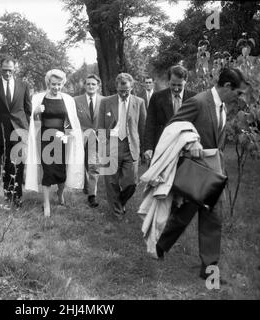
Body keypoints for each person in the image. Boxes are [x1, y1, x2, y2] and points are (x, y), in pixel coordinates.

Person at [155, 68, 248, 280]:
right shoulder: (198, 102)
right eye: (238, 92)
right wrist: (192, 139)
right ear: (227, 87)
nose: (239, 97)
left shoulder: (223, 105)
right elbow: (173, 125)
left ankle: (209, 269)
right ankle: (161, 245)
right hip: (195, 169)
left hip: (213, 169)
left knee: (213, 217)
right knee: (183, 215)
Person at [25, 69, 84, 217]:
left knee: (60, 169)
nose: (56, 87)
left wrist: (72, 136)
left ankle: (60, 192)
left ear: (63, 84)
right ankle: (46, 204)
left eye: (59, 84)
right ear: (48, 83)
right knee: (48, 170)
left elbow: (72, 121)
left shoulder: (68, 100)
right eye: (53, 84)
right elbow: (29, 118)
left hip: (61, 137)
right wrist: (36, 112)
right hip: (44, 137)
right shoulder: (38, 98)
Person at [0, 56, 32, 208]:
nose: (7, 73)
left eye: (10, 70)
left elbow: (28, 109)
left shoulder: (24, 86)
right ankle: (9, 195)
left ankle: (18, 196)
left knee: (19, 164)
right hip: (1, 130)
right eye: (4, 70)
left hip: (20, 130)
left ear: (15, 69)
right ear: (0, 68)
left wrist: (27, 127)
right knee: (6, 163)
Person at [97, 73, 146, 220]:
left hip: (131, 146)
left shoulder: (139, 102)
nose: (124, 93)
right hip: (111, 144)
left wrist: (144, 150)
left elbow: (143, 127)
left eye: (127, 90)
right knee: (111, 182)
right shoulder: (106, 102)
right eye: (121, 91)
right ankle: (117, 212)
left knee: (131, 182)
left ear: (132, 88)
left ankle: (120, 201)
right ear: (116, 88)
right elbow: (100, 127)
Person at [144, 65, 196, 161]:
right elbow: (150, 124)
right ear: (168, 82)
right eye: (173, 84)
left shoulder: (194, 99)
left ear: (186, 81)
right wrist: (148, 147)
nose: (176, 88)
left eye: (179, 85)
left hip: (187, 150)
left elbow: (198, 124)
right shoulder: (157, 98)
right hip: (162, 148)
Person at [74, 74, 103, 208]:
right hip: (81, 138)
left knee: (93, 166)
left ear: (98, 86)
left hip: (97, 138)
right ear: (84, 86)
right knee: (84, 164)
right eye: (88, 84)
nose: (91, 86)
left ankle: (92, 195)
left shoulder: (104, 101)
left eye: (93, 84)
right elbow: (71, 120)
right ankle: (87, 185)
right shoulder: (76, 100)